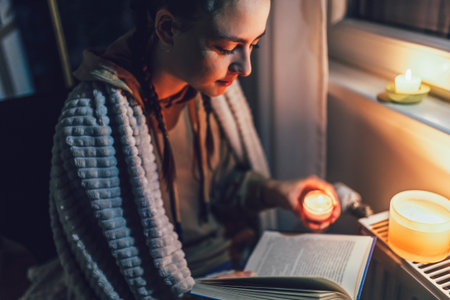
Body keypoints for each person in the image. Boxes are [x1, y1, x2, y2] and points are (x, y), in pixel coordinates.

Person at [22, 0, 340, 299]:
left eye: (253, 45)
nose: (245, 68)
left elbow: (223, 186)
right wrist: (199, 291)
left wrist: (279, 191)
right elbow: (111, 263)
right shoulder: (94, 121)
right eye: (227, 48)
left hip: (229, 263)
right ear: (167, 29)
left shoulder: (209, 94)